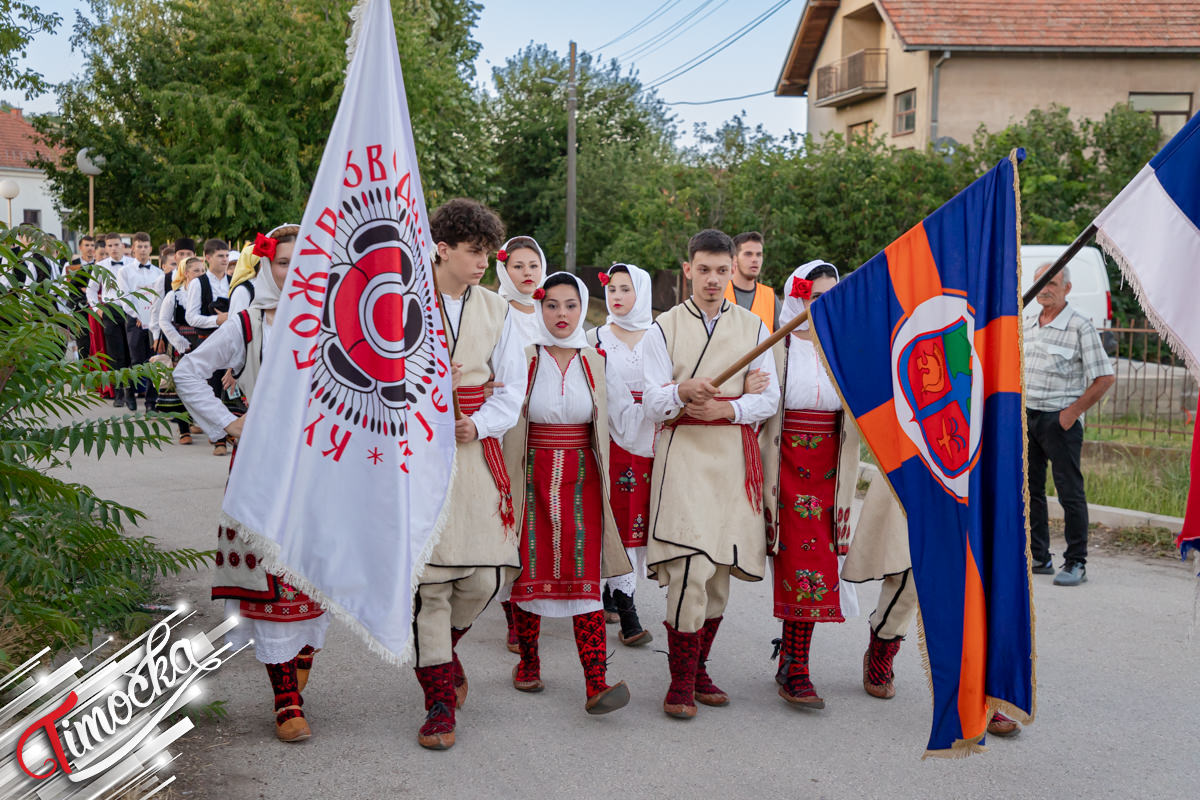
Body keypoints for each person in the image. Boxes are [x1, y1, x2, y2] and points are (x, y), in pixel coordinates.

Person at [174, 226, 328, 743]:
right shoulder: (248, 323)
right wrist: (229, 423)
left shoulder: (335, 322)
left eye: (304, 263)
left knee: (316, 580)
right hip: (262, 465)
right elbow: (189, 371)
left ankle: (297, 672)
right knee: (273, 582)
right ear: (268, 267)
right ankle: (286, 702)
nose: (294, 272)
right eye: (285, 263)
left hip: (322, 466)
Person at [642, 228, 780, 720]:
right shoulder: (662, 328)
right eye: (705, 269)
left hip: (732, 460)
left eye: (723, 270)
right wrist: (682, 392)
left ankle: (699, 668)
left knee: (718, 576)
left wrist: (726, 408)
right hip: (682, 458)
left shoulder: (756, 328)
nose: (714, 279)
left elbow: (769, 399)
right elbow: (652, 401)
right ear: (688, 270)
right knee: (689, 569)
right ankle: (679, 681)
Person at [410, 198, 525, 751]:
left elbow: (512, 389)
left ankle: (443, 654)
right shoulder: (402, 301)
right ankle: (437, 704)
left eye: (487, 253)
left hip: (474, 451)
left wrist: (477, 424)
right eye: (474, 252)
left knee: (484, 577)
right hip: (414, 457)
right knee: (430, 586)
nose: (483, 262)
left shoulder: (500, 312)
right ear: (443, 248)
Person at [505, 272, 634, 716]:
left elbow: (625, 417)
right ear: (540, 310)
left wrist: (672, 403)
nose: (562, 314)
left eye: (571, 305)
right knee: (529, 569)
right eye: (552, 305)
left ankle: (595, 682)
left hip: (583, 480)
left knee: (585, 579)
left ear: (583, 310)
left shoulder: (595, 362)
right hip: (531, 477)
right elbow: (503, 415)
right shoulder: (523, 359)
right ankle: (529, 661)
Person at [1025, 262, 1115, 587]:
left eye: (1051, 283)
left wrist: (1071, 413)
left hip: (1059, 423)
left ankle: (1076, 562)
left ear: (1067, 289)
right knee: (1030, 492)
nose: (1044, 289)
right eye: (1038, 284)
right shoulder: (1027, 323)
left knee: (1069, 493)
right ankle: (1040, 556)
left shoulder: (1079, 326)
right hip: (1027, 419)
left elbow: (1104, 377)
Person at [588, 263, 656, 647]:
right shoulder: (594, 337)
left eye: (625, 289)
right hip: (607, 441)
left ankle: (613, 594)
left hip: (649, 440)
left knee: (638, 523)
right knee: (614, 520)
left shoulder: (659, 337)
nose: (616, 296)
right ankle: (628, 613)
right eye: (612, 288)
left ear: (641, 293)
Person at [492, 234, 546, 653]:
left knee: (543, 511)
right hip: (509, 426)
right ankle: (513, 608)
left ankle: (538, 595)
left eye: (533, 265)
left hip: (548, 425)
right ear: (503, 270)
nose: (527, 274)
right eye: (518, 266)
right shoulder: (494, 311)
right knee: (514, 511)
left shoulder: (552, 311)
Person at [185, 238, 232, 455]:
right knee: (211, 388)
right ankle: (219, 438)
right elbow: (191, 317)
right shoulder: (198, 283)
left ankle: (233, 430)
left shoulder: (233, 281)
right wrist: (216, 320)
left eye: (227, 255)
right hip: (207, 340)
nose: (225, 259)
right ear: (208, 257)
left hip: (231, 340)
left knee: (230, 387)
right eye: (220, 256)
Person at [157, 256, 206, 444]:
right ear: (185, 273)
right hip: (181, 343)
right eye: (196, 271)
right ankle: (183, 428)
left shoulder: (204, 293)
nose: (200, 275)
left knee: (200, 384)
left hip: (201, 342)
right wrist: (180, 342)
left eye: (203, 271)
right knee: (180, 386)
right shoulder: (174, 295)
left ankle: (195, 420)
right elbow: (164, 321)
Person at [87, 233, 135, 408]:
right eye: (110, 245)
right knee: (115, 354)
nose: (114, 248)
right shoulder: (100, 266)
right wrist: (98, 309)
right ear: (106, 248)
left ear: (122, 245)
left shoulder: (132, 264)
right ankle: (119, 393)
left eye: (116, 244)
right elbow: (90, 291)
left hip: (130, 310)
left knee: (131, 353)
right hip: (110, 310)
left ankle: (131, 393)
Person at [117, 232, 163, 411]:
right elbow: (124, 296)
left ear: (150, 249)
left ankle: (151, 400)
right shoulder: (125, 271)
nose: (143, 250)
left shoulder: (158, 272)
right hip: (134, 320)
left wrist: (152, 320)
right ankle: (130, 392)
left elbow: (159, 298)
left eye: (146, 247)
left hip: (153, 322)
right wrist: (137, 316)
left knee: (153, 359)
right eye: (139, 247)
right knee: (136, 360)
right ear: (133, 249)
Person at [725, 231, 779, 332]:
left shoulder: (770, 297)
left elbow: (783, 341)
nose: (755, 259)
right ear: (734, 259)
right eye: (748, 254)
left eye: (759, 255)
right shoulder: (720, 292)